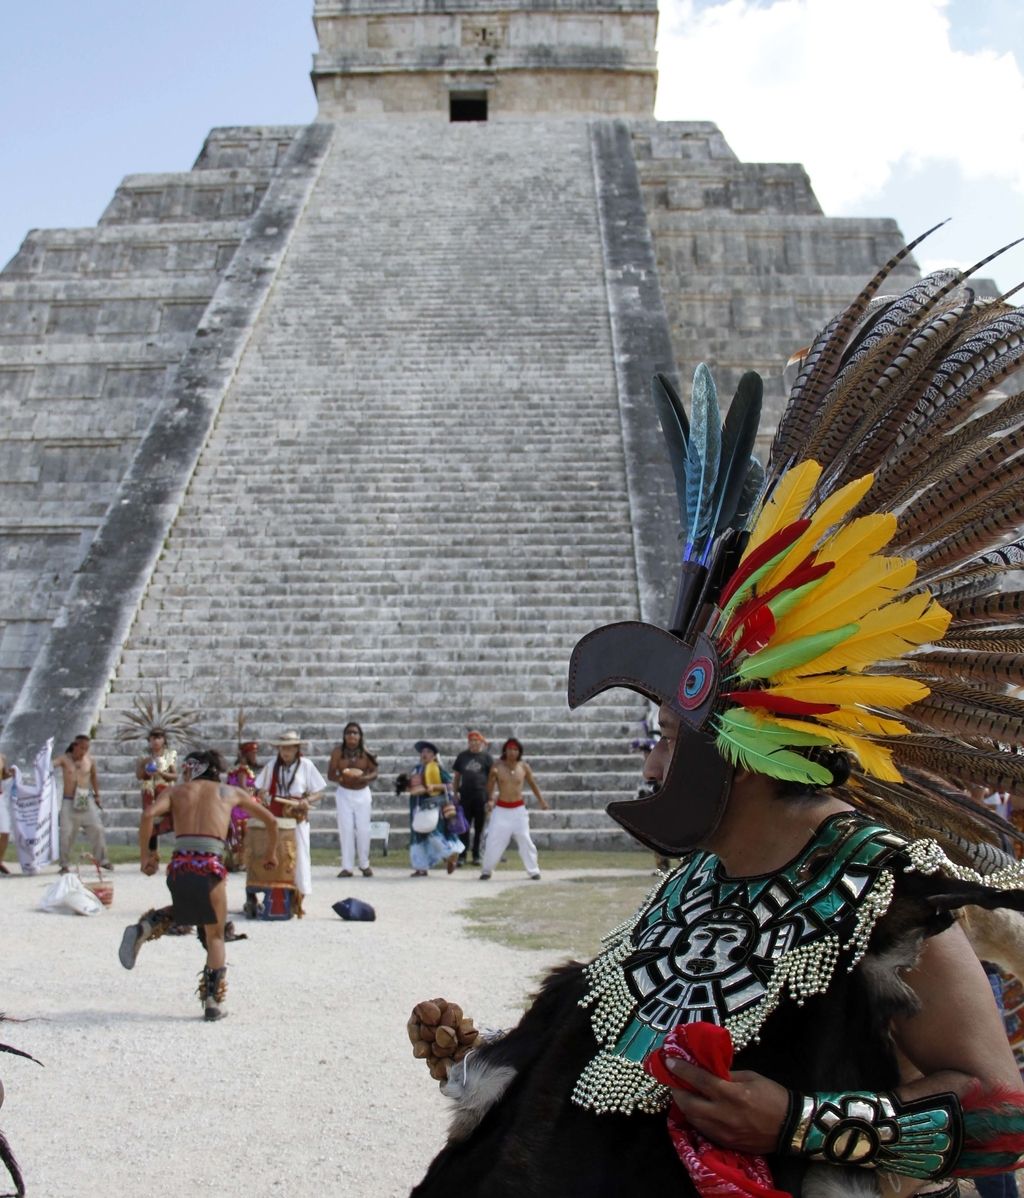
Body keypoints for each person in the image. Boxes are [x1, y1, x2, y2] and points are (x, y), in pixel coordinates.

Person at [408, 248, 1024, 1195]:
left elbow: (997, 1120)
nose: (652, 760)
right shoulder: (696, 882)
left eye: (663, 731)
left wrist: (801, 1121)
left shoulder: (883, 899)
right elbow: (610, 1061)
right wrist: (487, 1062)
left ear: (732, 742)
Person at [118, 749, 278, 1020]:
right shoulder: (230, 792)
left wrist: (147, 856)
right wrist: (271, 853)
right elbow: (271, 820)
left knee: (187, 910)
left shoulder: (175, 792)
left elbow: (148, 816)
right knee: (215, 934)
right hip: (210, 866)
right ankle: (213, 1003)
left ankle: (146, 926)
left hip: (180, 866)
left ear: (193, 769)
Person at [254, 730, 325, 903]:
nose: (285, 753)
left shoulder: (306, 765)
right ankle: (276, 891)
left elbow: (319, 792)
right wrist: (262, 793)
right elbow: (258, 787)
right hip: (276, 814)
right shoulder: (272, 766)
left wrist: (306, 800)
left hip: (296, 815)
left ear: (296, 749)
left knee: (299, 853)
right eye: (282, 749)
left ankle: (300, 894)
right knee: (276, 851)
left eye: (289, 749)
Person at [479, 738, 548, 881]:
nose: (512, 752)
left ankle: (533, 870)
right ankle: (487, 870)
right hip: (501, 810)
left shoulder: (523, 767)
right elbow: (489, 789)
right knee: (494, 840)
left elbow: (533, 785)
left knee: (525, 839)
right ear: (505, 750)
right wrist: (491, 779)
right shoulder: (497, 766)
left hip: (518, 810)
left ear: (519, 752)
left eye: (515, 750)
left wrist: (541, 801)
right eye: (510, 749)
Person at [327, 721, 379, 878]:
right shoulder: (337, 752)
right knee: (346, 830)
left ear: (360, 736)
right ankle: (347, 867)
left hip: (362, 793)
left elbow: (375, 772)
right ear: (344, 735)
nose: (352, 736)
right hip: (344, 793)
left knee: (364, 830)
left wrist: (364, 777)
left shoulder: (366, 752)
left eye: (355, 733)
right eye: (349, 732)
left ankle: (364, 864)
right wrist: (342, 778)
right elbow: (330, 774)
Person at [54, 735, 111, 872]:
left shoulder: (89, 759)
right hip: (69, 799)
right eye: (82, 748)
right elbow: (51, 764)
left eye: (86, 748)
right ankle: (64, 864)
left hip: (85, 797)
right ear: (75, 746)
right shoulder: (64, 759)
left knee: (97, 828)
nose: (84, 751)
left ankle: (103, 859)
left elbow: (94, 776)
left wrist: (97, 795)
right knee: (66, 833)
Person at [408, 741, 463, 877]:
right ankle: (421, 867)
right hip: (417, 806)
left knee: (433, 834)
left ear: (434, 755)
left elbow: (449, 786)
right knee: (418, 836)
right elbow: (412, 785)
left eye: (428, 752)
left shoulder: (437, 769)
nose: (424, 754)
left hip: (432, 807)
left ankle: (450, 853)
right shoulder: (416, 769)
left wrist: (435, 787)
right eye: (423, 752)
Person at [452, 730, 493, 867]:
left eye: (477, 741)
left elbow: (491, 779)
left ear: (481, 742)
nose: (474, 743)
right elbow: (457, 776)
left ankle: (476, 855)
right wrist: (455, 793)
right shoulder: (462, 756)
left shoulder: (487, 757)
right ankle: (462, 855)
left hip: (481, 795)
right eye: (471, 741)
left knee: (479, 827)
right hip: (465, 796)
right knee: (464, 827)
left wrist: (490, 797)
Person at [135, 727, 178, 857]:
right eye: (153, 738)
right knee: (150, 819)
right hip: (149, 791)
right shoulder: (144, 756)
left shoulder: (170, 754)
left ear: (164, 740)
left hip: (165, 791)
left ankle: (180, 849)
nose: (156, 741)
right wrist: (146, 772)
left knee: (173, 819)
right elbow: (138, 775)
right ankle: (152, 853)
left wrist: (161, 773)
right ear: (149, 740)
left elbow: (175, 776)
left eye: (159, 738)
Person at [225, 738, 260, 872]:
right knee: (244, 831)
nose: (255, 756)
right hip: (240, 808)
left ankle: (238, 860)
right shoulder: (242, 771)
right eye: (253, 753)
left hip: (237, 805)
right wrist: (256, 798)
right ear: (247, 754)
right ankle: (241, 861)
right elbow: (243, 788)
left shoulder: (237, 769)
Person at [0, 749, 11, 875]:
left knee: (5, 831)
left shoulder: (1, 757)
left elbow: (4, 775)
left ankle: (0, 860)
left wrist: (11, 773)